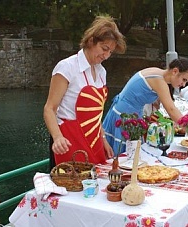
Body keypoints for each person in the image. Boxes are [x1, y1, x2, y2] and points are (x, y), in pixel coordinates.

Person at [43, 16, 126, 167]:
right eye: (104, 48)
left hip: (94, 139)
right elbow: (49, 109)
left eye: (110, 52)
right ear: (91, 41)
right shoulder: (67, 67)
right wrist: (57, 138)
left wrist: (103, 140)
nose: (106, 55)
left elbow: (95, 113)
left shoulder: (102, 72)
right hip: (69, 139)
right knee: (73, 185)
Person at [103, 58, 188, 153]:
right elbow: (171, 109)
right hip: (124, 116)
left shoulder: (158, 74)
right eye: (184, 80)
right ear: (175, 71)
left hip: (129, 115)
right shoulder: (159, 80)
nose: (183, 85)